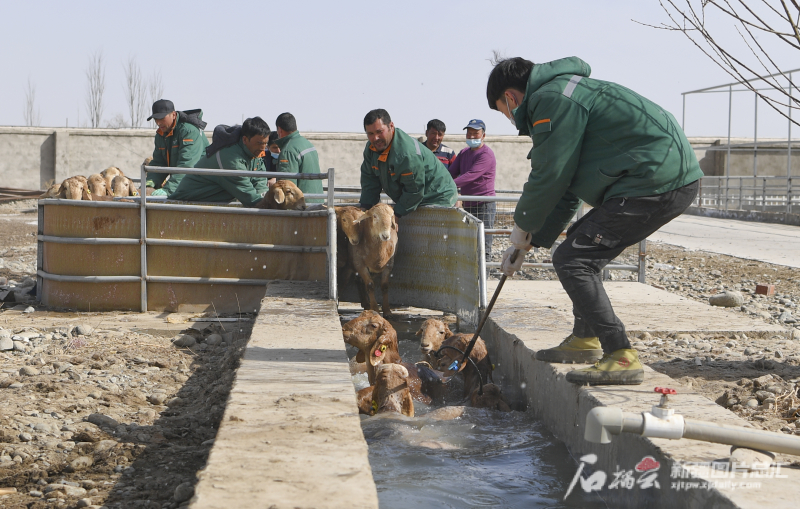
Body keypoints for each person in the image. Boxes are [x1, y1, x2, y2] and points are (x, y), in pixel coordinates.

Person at [487, 56, 703, 385]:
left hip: (655, 180)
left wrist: (519, 229)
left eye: (503, 110)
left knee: (573, 258)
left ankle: (621, 354)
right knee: (580, 241)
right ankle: (585, 339)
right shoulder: (565, 93)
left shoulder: (551, 98)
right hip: (657, 177)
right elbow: (567, 188)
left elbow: (550, 174)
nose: (509, 117)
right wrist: (530, 238)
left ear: (511, 98)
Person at [359, 109, 457, 221]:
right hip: (412, 198)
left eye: (379, 132)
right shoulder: (371, 149)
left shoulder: (407, 154)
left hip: (437, 196)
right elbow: (369, 181)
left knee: (429, 235)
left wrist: (395, 215)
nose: (375, 138)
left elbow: (414, 191)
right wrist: (365, 210)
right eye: (370, 134)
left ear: (391, 126)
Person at [168, 117, 271, 207]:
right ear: (245, 139)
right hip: (190, 203)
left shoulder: (255, 151)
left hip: (216, 201)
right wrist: (268, 204)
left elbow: (260, 178)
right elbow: (249, 196)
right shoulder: (231, 159)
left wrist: (264, 195)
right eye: (259, 143)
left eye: (266, 144)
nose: (263, 148)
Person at [448, 119, 496, 256]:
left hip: (484, 205)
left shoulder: (486, 154)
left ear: (483, 135)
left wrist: (447, 185)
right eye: (469, 133)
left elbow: (470, 176)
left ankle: (483, 278)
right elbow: (451, 173)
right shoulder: (464, 153)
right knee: (469, 245)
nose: (472, 136)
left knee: (483, 246)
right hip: (468, 205)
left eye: (476, 133)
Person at [147, 99, 209, 196]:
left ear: (174, 115)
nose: (158, 123)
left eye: (162, 118)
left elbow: (187, 165)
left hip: (201, 187)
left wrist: (167, 190)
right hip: (183, 185)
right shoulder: (161, 135)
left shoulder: (189, 131)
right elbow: (159, 162)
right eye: (156, 119)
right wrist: (150, 182)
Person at [274, 112, 323, 203]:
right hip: (317, 203)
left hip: (302, 208)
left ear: (279, 130)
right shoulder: (308, 144)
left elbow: (287, 187)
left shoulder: (288, 150)